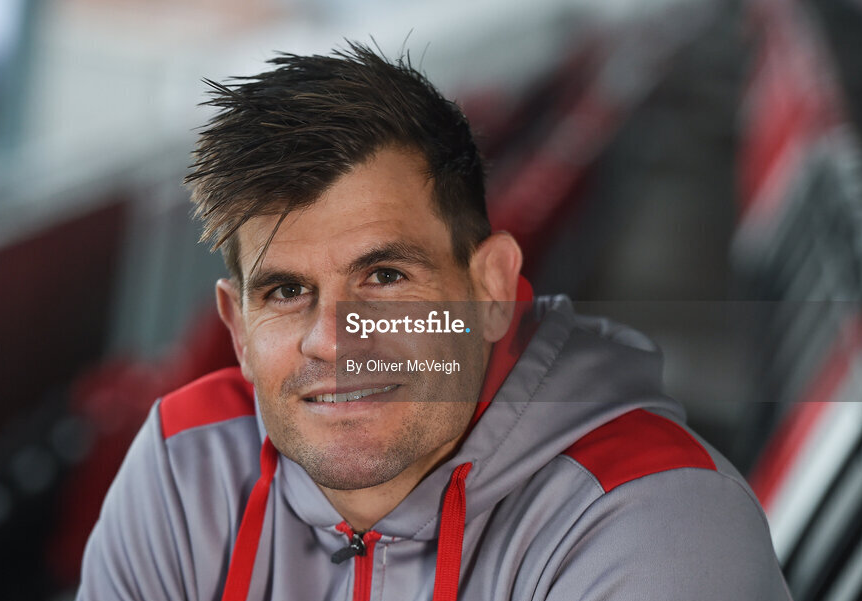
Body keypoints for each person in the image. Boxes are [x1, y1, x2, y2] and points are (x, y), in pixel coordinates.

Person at [76, 42, 792, 601]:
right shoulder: (185, 466)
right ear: (236, 326)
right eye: (287, 291)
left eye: (385, 277)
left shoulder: (660, 527)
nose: (332, 340)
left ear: (491, 288)